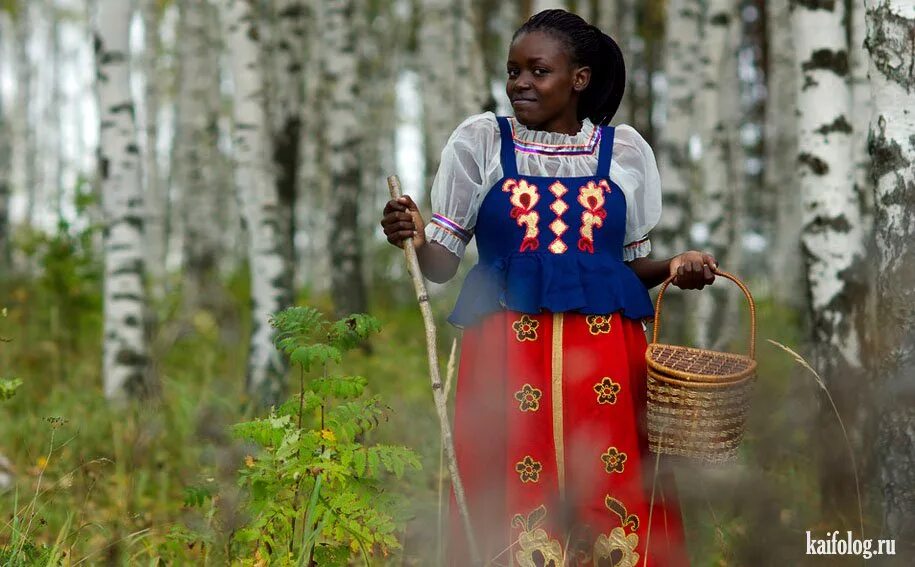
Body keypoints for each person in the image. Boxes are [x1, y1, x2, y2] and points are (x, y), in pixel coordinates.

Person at [381, 9, 715, 566]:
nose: (520, 84)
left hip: (608, 357)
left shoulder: (622, 153)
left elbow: (619, 270)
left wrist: (675, 266)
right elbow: (441, 265)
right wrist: (412, 238)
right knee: (512, 477)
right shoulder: (483, 145)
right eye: (513, 72)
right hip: (507, 357)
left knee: (611, 480)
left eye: (538, 71)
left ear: (578, 79)